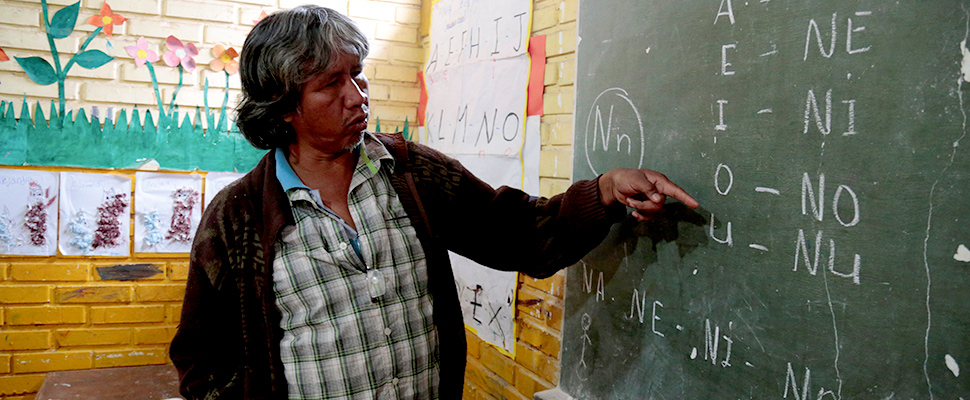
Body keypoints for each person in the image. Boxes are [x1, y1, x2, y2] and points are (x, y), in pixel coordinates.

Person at [169, 5, 699, 400]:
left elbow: (521, 234)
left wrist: (605, 190)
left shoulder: (412, 174)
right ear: (284, 106)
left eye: (358, 74)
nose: (357, 96)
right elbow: (202, 360)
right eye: (332, 84)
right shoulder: (237, 219)